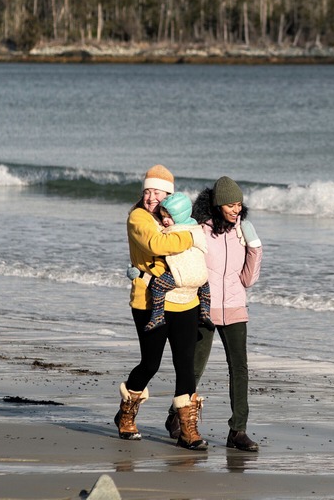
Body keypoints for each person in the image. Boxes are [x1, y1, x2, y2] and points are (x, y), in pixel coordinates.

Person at [166, 175, 263, 452]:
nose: (236, 209)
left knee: (240, 369)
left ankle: (238, 430)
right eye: (230, 205)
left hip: (235, 306)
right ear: (217, 205)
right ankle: (178, 415)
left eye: (239, 204)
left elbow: (248, 280)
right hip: (203, 307)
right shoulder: (200, 231)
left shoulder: (242, 232)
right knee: (194, 367)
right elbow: (182, 262)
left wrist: (255, 247)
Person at [116, 164, 208, 450]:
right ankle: (127, 413)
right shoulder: (138, 218)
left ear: (168, 195)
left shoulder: (176, 219)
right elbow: (157, 244)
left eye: (157, 192)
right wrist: (193, 235)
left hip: (184, 300)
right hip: (147, 299)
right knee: (150, 363)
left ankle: (187, 429)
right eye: (147, 190)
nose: (151, 197)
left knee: (185, 364)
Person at [143, 192, 211, 332]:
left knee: (157, 286)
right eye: (163, 217)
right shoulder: (197, 228)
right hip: (201, 275)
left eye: (169, 216)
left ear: (179, 216)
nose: (165, 220)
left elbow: (161, 245)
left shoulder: (171, 232)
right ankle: (205, 312)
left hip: (180, 275)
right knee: (204, 286)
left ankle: (157, 316)